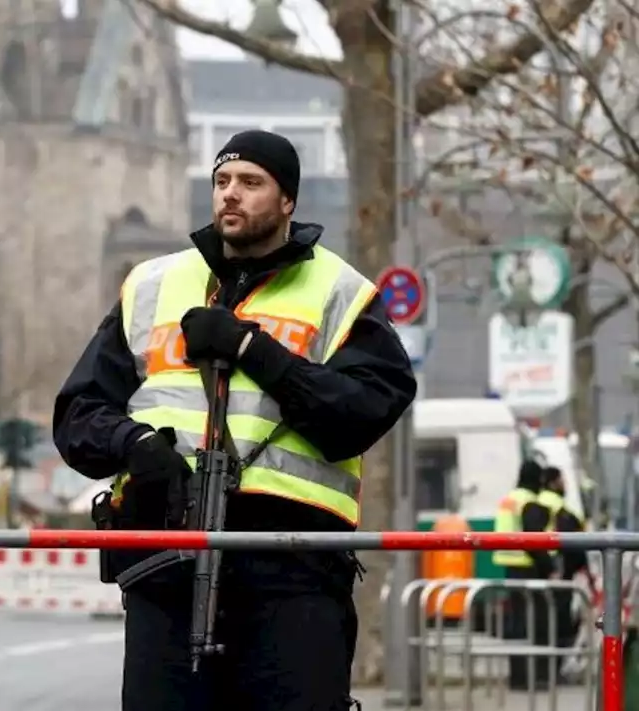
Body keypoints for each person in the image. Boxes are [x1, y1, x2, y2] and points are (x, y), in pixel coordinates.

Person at [53, 130, 417, 710]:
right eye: (223, 181)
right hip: (164, 563)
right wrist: (136, 444)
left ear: (288, 201)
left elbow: (363, 412)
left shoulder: (340, 291)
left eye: (251, 183)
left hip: (292, 572)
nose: (231, 194)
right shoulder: (152, 285)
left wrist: (255, 351)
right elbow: (77, 415)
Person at [493, 460, 557, 691]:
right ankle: (534, 678)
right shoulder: (529, 502)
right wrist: (550, 567)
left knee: (517, 623)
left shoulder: (510, 499)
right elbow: (534, 540)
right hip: (528, 567)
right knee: (535, 623)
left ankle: (517, 677)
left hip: (510, 566)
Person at [538, 466, 587, 677]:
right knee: (560, 624)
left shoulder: (537, 501)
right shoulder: (560, 508)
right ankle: (555, 670)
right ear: (553, 482)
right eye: (562, 480)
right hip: (559, 571)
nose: (565, 484)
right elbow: (573, 543)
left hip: (541, 570)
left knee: (542, 623)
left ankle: (545, 670)